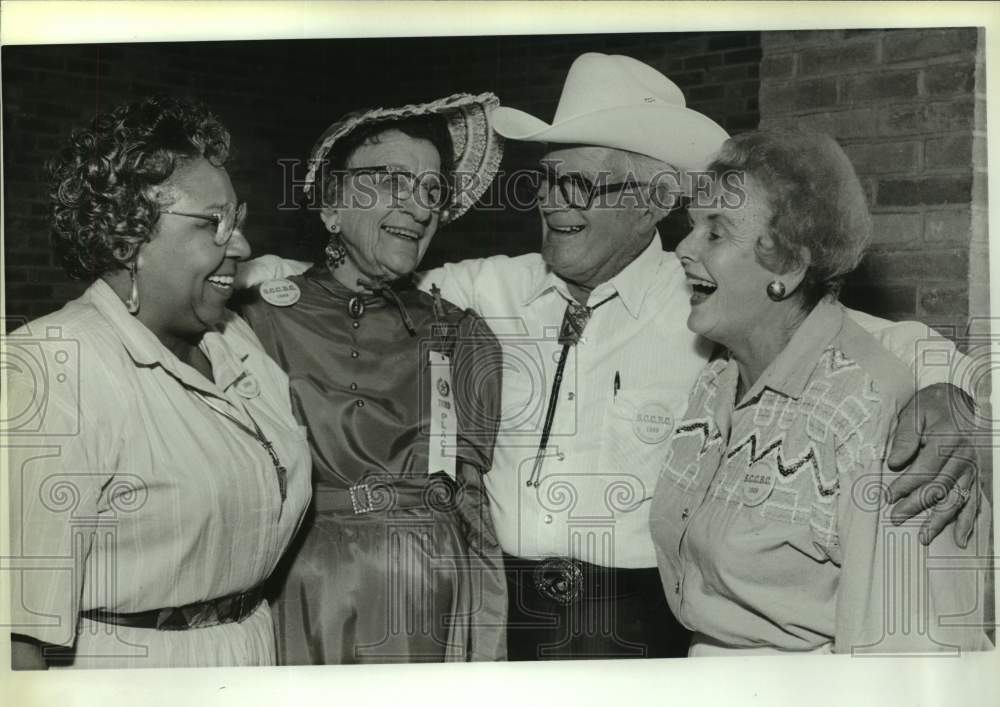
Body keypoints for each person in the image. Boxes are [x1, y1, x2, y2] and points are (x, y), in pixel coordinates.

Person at [239, 53, 983, 661]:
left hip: (636, 632)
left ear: (656, 200)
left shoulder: (706, 297)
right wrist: (247, 272)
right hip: (501, 619)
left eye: (581, 183)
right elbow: (354, 280)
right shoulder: (490, 289)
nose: (553, 201)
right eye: (547, 179)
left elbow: (854, 335)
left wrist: (946, 396)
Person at [649, 129, 990, 655]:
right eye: (693, 226)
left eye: (716, 234)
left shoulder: (878, 414)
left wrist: (959, 398)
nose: (683, 248)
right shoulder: (717, 376)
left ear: (787, 264)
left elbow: (907, 656)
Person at [8, 95, 312, 669]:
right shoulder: (52, 369)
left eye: (237, 220)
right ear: (127, 240)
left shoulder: (234, 343)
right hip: (132, 691)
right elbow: (14, 639)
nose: (241, 245)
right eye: (212, 223)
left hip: (248, 658)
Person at [240, 93, 507, 664]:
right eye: (394, 182)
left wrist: (486, 657)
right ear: (332, 203)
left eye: (432, 190)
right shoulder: (258, 323)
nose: (419, 207)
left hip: (425, 597)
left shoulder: (461, 337)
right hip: (302, 589)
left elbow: (476, 519)